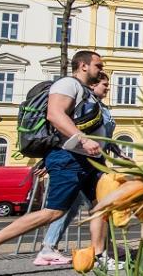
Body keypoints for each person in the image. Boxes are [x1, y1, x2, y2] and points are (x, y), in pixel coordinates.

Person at [0, 51, 123, 276]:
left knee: (100, 208)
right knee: (52, 212)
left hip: (90, 160)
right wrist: (84, 140)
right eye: (98, 65)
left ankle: (98, 255)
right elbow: (55, 115)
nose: (100, 68)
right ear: (84, 66)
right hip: (70, 158)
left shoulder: (87, 92)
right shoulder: (68, 84)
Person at [33, 71, 118, 266]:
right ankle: (48, 248)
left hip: (93, 162)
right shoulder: (84, 104)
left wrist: (114, 148)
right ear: (94, 85)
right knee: (63, 209)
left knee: (99, 206)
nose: (107, 88)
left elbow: (103, 136)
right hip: (76, 161)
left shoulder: (100, 107)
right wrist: (47, 160)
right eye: (104, 85)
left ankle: (102, 250)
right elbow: (63, 131)